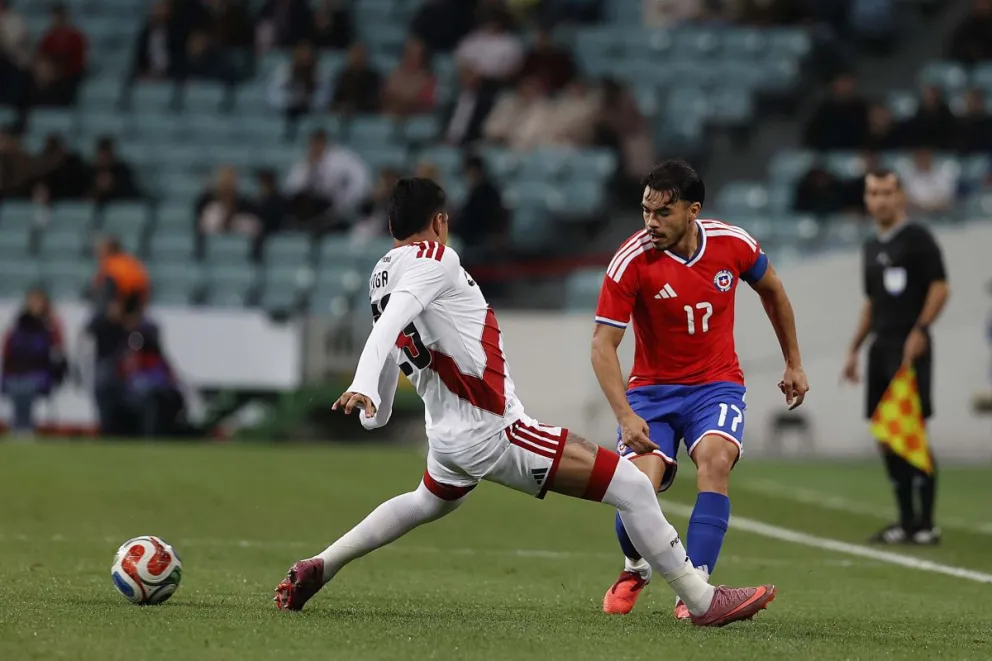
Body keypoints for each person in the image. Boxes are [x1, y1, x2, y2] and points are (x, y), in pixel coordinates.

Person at [272, 178, 778, 626]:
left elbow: (393, 329)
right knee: (632, 488)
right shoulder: (436, 257)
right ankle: (702, 599)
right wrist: (364, 380)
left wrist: (377, 408)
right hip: (494, 432)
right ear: (440, 222)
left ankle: (323, 563)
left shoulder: (381, 272)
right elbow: (390, 325)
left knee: (426, 501)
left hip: (447, 435)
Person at [592, 160, 808, 619]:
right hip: (651, 393)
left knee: (715, 462)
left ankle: (696, 589)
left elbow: (773, 291)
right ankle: (635, 567)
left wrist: (793, 361)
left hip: (716, 386)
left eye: (662, 213)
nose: (651, 222)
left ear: (693, 211)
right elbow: (602, 345)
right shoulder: (631, 261)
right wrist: (626, 415)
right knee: (637, 487)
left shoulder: (733, 244)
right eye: (646, 211)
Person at [841, 169, 949, 545]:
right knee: (886, 434)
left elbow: (940, 287)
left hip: (909, 345)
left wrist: (920, 330)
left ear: (901, 196)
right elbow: (872, 302)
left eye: (887, 192)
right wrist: (855, 349)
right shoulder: (871, 245)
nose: (880, 199)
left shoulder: (917, 238)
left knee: (911, 430)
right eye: (873, 192)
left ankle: (926, 522)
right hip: (881, 347)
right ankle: (904, 520)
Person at [1, 288, 66, 435]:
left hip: (40, 372)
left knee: (26, 386)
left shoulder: (50, 327)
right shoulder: (19, 324)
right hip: (18, 371)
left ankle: (24, 426)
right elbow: (8, 351)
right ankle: (19, 425)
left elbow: (57, 351)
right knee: (17, 385)